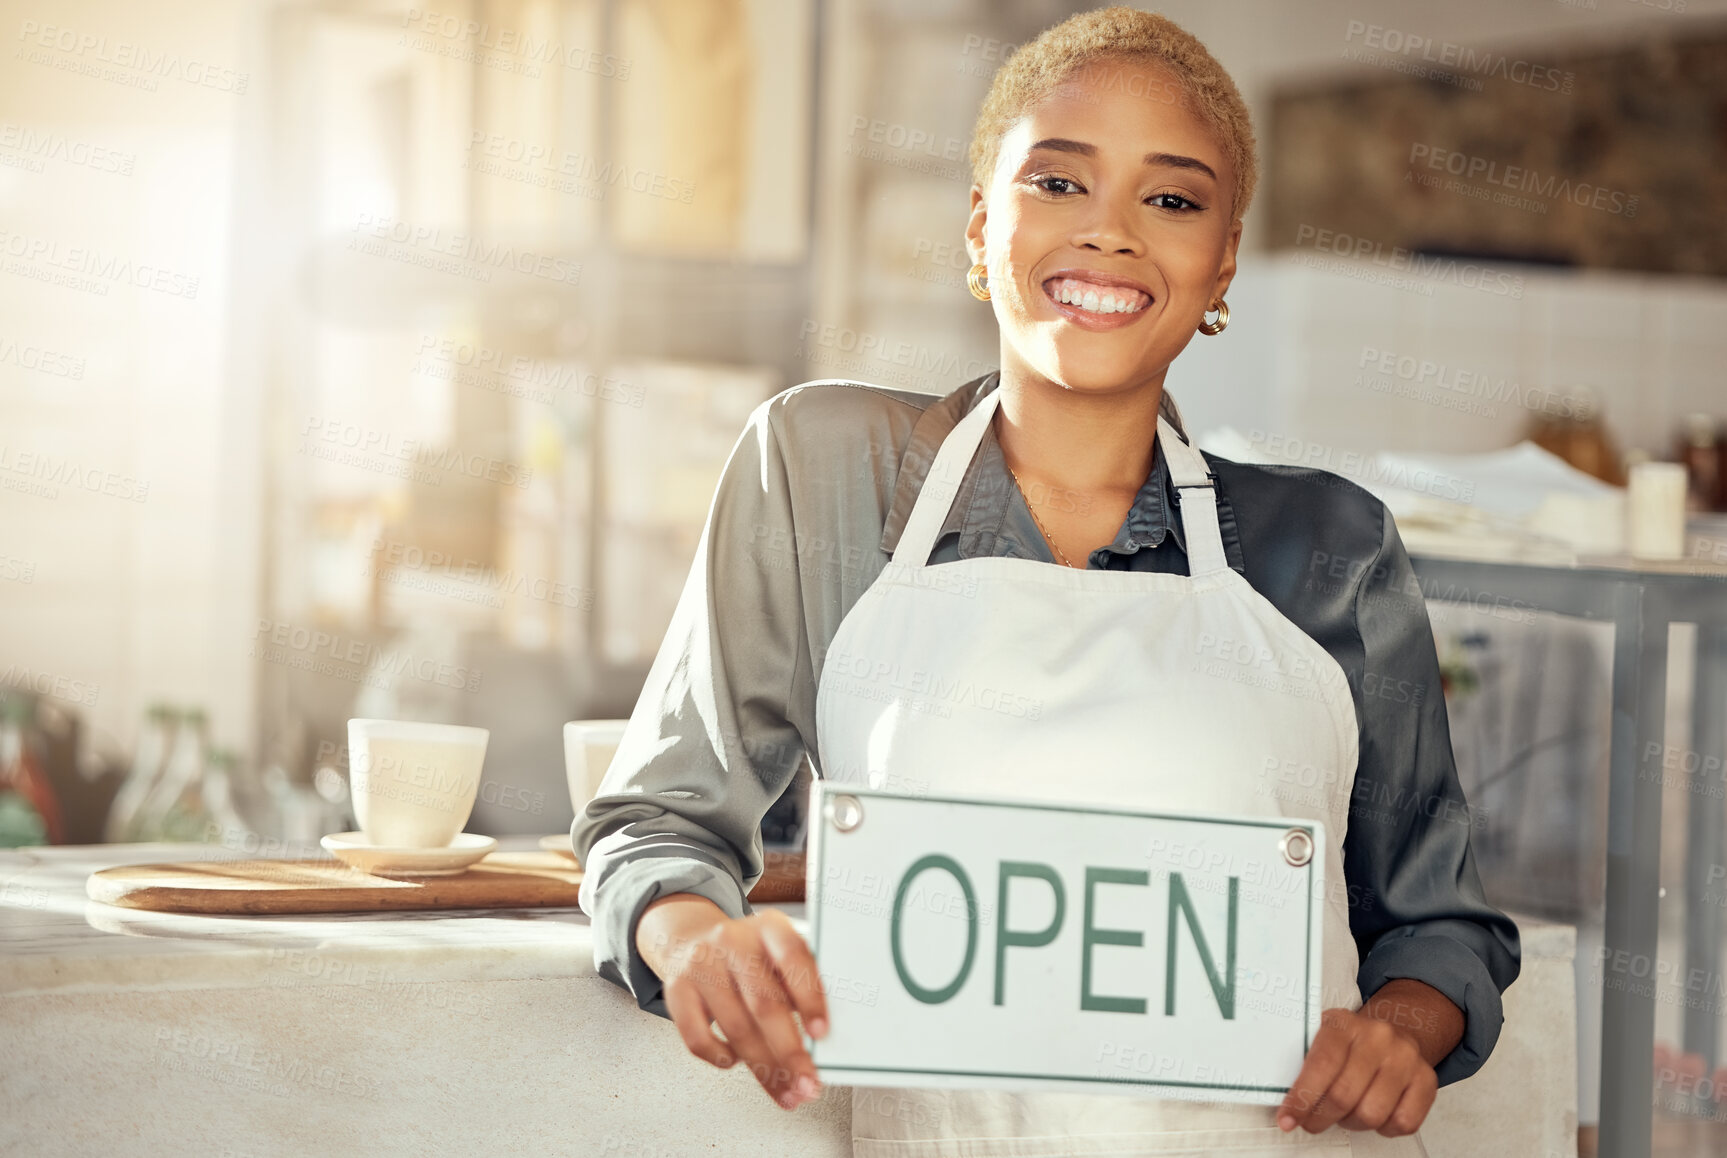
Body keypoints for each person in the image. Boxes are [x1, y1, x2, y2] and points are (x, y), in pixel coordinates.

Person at [574, 7, 1520, 1155]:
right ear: (979, 226)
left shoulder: (1331, 546)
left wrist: (1399, 1028)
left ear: (1220, 262)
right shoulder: (820, 472)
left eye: (1171, 200)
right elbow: (655, 822)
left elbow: (1435, 928)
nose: (1111, 233)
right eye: (1058, 183)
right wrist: (694, 941)